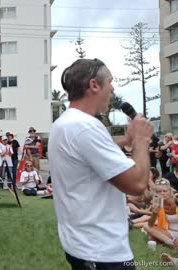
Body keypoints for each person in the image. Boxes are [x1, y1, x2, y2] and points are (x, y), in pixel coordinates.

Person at [49, 58, 153, 269]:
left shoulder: (64, 123)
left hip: (80, 245)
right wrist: (142, 140)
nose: (113, 89)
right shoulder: (86, 127)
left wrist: (126, 140)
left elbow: (88, 157)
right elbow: (137, 185)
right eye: (110, 82)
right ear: (94, 85)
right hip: (103, 252)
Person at [143, 179, 178, 249]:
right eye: (159, 191)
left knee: (152, 238)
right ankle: (171, 243)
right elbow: (150, 224)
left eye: (165, 191)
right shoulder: (158, 204)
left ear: (170, 191)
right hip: (170, 232)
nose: (162, 193)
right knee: (146, 225)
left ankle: (167, 241)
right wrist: (154, 213)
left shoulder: (176, 200)